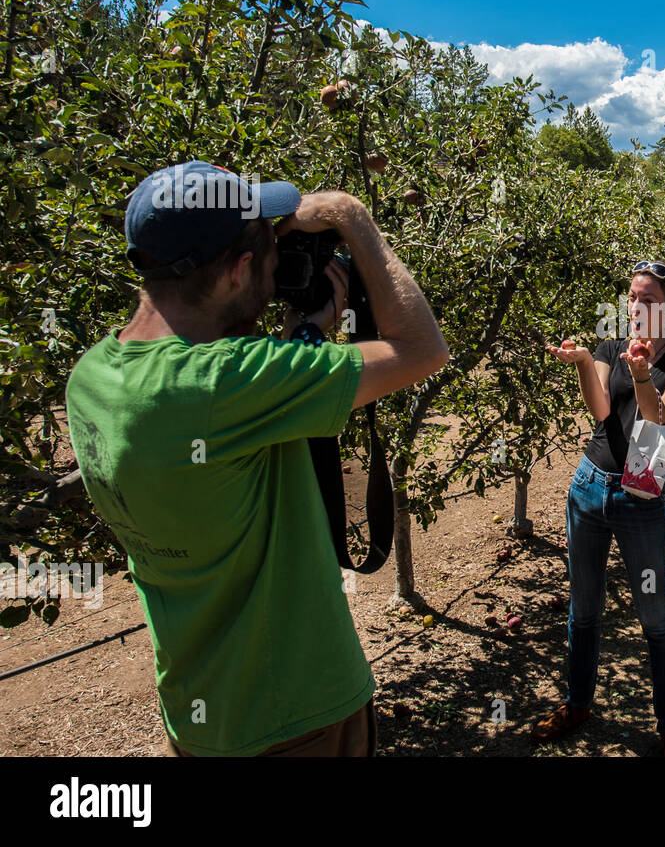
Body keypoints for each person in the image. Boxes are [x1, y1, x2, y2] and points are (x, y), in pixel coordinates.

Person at [65, 162, 448, 756]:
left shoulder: (91, 377)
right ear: (240, 269)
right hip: (296, 714)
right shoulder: (229, 383)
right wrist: (353, 218)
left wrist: (303, 339)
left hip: (198, 712)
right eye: (271, 250)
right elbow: (422, 348)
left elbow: (218, 426)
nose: (278, 263)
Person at [532, 260, 665, 756]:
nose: (634, 307)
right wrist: (587, 362)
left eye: (648, 301)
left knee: (654, 616)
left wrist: (643, 373)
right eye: (631, 297)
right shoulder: (610, 345)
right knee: (584, 608)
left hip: (642, 499)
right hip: (590, 486)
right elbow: (601, 411)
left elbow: (657, 417)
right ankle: (577, 702)